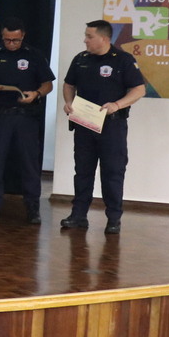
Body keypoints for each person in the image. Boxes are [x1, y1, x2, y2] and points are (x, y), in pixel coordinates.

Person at [60, 19, 146, 235]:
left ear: (104, 39)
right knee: (82, 172)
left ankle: (114, 218)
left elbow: (139, 89)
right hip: (84, 125)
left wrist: (117, 105)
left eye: (89, 36)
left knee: (112, 173)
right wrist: (68, 102)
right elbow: (69, 84)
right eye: (85, 35)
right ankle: (78, 215)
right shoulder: (80, 59)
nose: (85, 40)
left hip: (112, 127)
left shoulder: (123, 60)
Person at [0, 18, 54, 224]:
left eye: (15, 40)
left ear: (22, 36)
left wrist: (37, 94)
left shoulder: (34, 55)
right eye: (7, 40)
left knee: (29, 163)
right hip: (0, 116)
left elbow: (48, 84)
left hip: (26, 118)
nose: (11, 44)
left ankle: (33, 208)